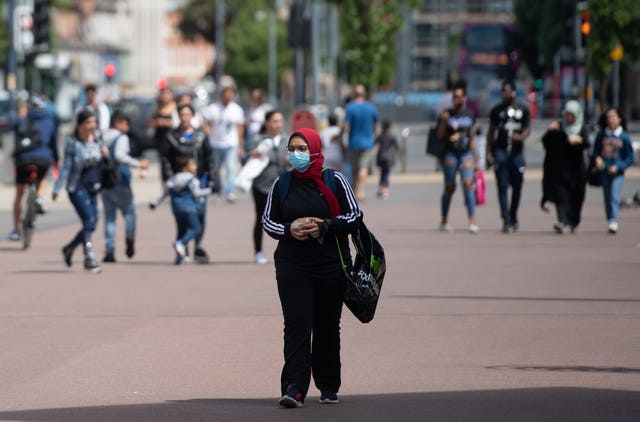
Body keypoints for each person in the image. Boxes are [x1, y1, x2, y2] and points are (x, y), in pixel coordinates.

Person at [262, 128, 362, 408]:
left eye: (302, 148)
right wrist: (289, 229)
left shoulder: (335, 180)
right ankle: (294, 387)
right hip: (292, 266)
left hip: (331, 265)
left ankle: (328, 385)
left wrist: (324, 226)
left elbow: (354, 215)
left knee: (327, 326)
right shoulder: (281, 184)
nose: (296, 154)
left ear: (316, 150)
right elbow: (268, 222)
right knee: (296, 325)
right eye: (292, 148)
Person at [53, 109, 110, 273]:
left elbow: (104, 162)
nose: (92, 126)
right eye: (89, 123)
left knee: (91, 223)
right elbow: (66, 167)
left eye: (94, 122)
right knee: (89, 220)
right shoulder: (73, 142)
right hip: (77, 187)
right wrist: (57, 188)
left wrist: (106, 154)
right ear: (80, 125)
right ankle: (89, 257)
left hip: (95, 186)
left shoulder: (98, 138)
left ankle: (69, 248)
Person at [158, 104, 215, 263]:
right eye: (182, 114)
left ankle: (197, 247)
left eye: (188, 114)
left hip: (199, 179)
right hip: (181, 182)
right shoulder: (171, 136)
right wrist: (169, 177)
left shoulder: (200, 135)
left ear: (192, 116)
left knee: (200, 214)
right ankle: (181, 251)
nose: (185, 118)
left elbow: (209, 157)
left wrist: (212, 179)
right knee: (182, 217)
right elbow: (165, 159)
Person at [101, 110, 150, 262]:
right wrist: (139, 164)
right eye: (126, 123)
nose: (128, 127)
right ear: (117, 123)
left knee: (109, 217)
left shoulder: (102, 136)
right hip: (120, 178)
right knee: (129, 212)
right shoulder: (121, 138)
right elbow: (120, 156)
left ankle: (109, 250)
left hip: (105, 180)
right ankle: (129, 236)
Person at [9, 95, 58, 241]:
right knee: (45, 175)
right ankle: (39, 197)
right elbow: (53, 145)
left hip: (22, 160)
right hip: (43, 159)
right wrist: (56, 160)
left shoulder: (21, 121)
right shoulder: (50, 122)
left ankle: (16, 230)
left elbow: (15, 141)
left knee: (19, 193)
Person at [486, 80, 531, 233]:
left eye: (508, 91)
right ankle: (506, 219)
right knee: (502, 186)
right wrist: (488, 153)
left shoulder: (522, 109)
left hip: (517, 153)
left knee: (517, 185)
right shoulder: (497, 111)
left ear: (514, 92)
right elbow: (491, 133)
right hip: (501, 152)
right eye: (503, 91)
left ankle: (513, 214)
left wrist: (520, 137)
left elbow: (527, 130)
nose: (506, 94)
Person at [149, 156, 212, 264]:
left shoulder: (173, 179)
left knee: (181, 231)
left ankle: (179, 258)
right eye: (192, 164)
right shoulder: (192, 179)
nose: (194, 167)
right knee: (196, 229)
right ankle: (181, 243)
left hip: (176, 209)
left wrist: (154, 202)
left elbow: (163, 194)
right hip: (189, 208)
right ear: (184, 168)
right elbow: (197, 194)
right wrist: (209, 190)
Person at [245, 110, 288, 265]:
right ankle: (258, 251)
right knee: (262, 218)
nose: (278, 125)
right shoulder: (257, 139)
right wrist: (253, 154)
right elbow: (245, 159)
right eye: (275, 121)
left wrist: (291, 159)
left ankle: (287, 250)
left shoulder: (287, 140)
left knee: (286, 218)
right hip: (262, 185)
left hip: (282, 185)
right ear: (267, 123)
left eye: (280, 121)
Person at [436, 82, 479, 233]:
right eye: (455, 97)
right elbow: (440, 136)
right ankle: (444, 220)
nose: (457, 100)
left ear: (465, 98)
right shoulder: (446, 114)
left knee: (468, 184)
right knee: (450, 187)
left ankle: (472, 221)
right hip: (451, 153)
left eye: (460, 97)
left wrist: (476, 159)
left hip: (465, 153)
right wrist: (443, 122)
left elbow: (472, 137)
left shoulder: (469, 114)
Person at [541, 100, 588, 234]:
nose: (568, 118)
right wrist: (550, 131)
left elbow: (588, 144)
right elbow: (546, 143)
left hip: (577, 171)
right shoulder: (559, 126)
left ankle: (572, 221)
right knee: (561, 197)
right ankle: (562, 221)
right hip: (561, 170)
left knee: (576, 198)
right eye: (567, 115)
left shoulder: (581, 128)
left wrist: (579, 140)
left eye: (571, 115)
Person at [592, 107, 635, 234]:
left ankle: (613, 220)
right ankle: (610, 218)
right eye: (608, 117)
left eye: (613, 117)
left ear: (619, 119)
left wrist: (619, 166)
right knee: (607, 196)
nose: (611, 120)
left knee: (614, 195)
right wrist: (598, 159)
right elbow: (595, 151)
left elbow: (630, 157)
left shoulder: (624, 137)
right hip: (604, 171)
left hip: (617, 172)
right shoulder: (602, 134)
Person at [201, 86, 245, 203]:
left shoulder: (237, 110)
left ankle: (230, 191)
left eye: (230, 96)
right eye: (226, 96)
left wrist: (240, 145)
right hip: (215, 144)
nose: (228, 98)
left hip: (231, 143)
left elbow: (240, 128)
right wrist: (208, 134)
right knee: (216, 169)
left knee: (231, 169)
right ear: (221, 96)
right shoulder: (213, 108)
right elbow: (206, 124)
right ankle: (217, 191)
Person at [341, 84, 379, 201]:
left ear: (353, 94)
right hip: (367, 142)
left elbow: (346, 126)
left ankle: (354, 191)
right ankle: (361, 191)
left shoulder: (350, 107)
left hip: (353, 142)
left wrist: (340, 135)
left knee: (355, 168)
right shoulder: (371, 107)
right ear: (365, 94)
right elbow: (375, 125)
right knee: (364, 167)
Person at [150, 87, 179, 159]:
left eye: (167, 94)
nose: (165, 96)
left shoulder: (176, 107)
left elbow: (177, 123)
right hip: (161, 140)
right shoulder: (158, 108)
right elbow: (151, 123)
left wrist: (165, 122)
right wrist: (157, 122)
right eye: (163, 94)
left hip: (173, 139)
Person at [374, 120, 399, 199]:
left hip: (380, 156)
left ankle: (380, 188)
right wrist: (400, 155)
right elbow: (396, 147)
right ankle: (385, 189)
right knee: (386, 174)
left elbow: (374, 142)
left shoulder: (380, 136)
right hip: (388, 157)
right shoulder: (391, 136)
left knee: (382, 173)